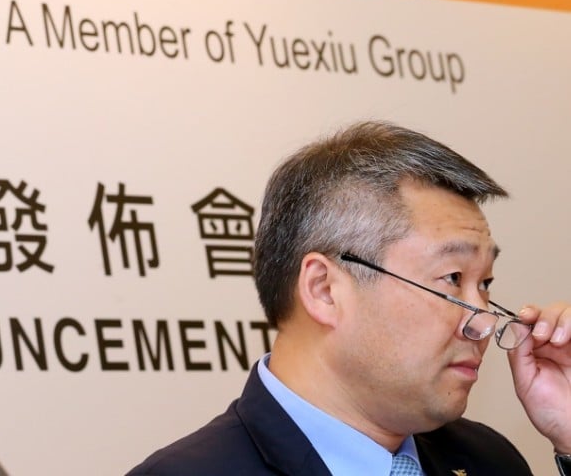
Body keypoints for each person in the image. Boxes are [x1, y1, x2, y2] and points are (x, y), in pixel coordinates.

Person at [127, 121, 571, 475]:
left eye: (486, 283)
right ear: (324, 290)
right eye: (452, 278)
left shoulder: (488, 460)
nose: (485, 322)